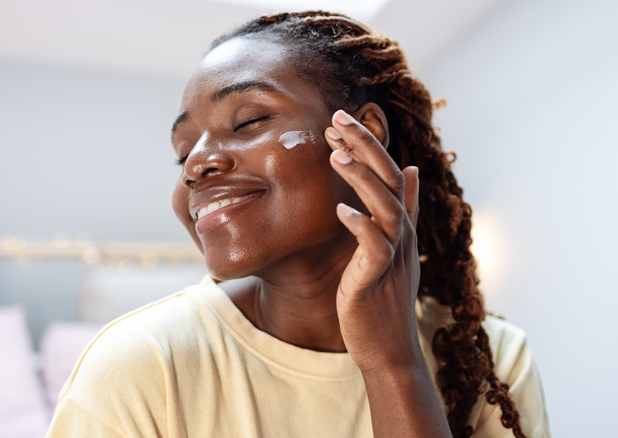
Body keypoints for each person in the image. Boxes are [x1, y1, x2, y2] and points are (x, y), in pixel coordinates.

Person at [47, 11, 550, 438]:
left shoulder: (488, 359)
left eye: (247, 122)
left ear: (361, 136)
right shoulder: (138, 366)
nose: (195, 166)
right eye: (183, 153)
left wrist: (394, 363)